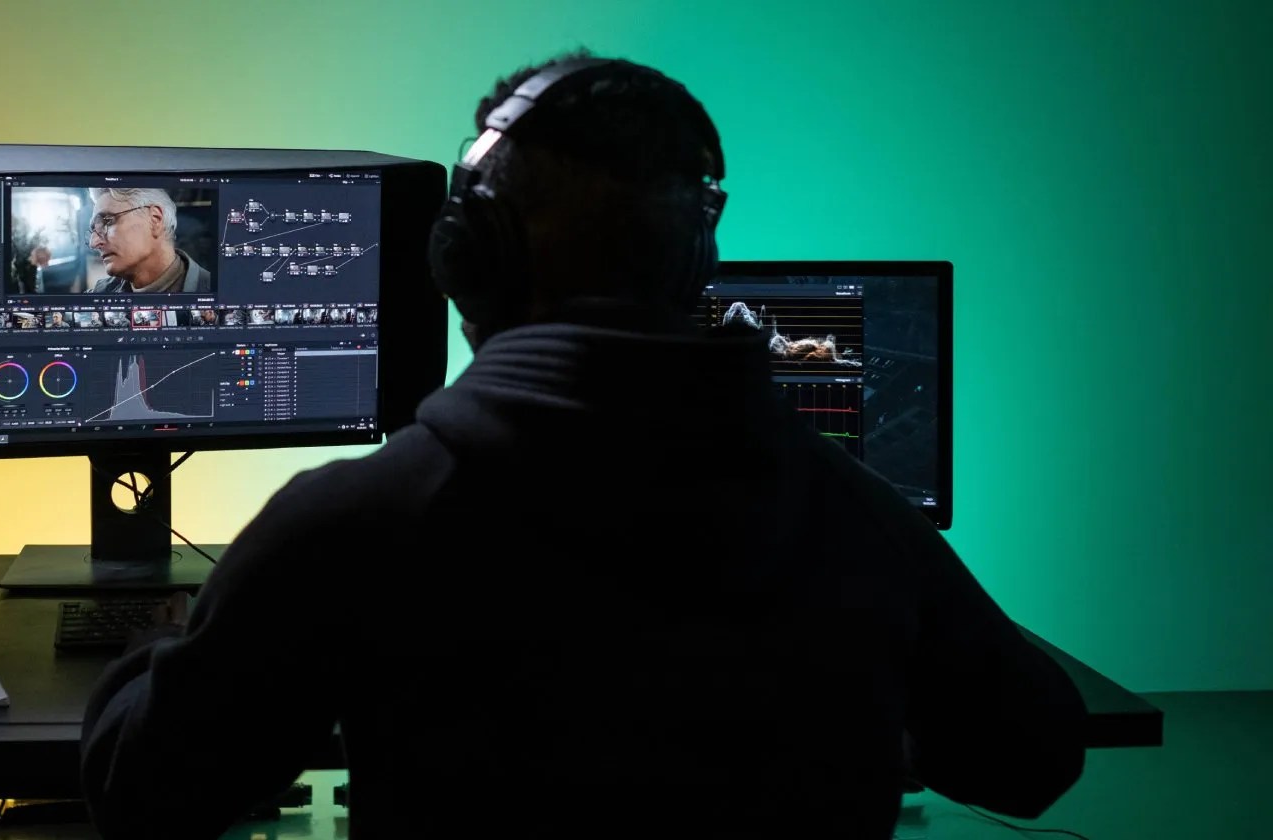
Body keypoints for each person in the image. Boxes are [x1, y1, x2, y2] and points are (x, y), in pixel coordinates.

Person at [81, 51, 1088, 839]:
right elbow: (1034, 760)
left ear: (466, 256)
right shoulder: (855, 515)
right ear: (694, 257)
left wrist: (168, 643)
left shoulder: (356, 522)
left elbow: (144, 798)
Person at [86, 187, 213, 294]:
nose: (94, 243)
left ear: (155, 219)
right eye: (94, 230)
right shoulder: (99, 293)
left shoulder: (215, 289)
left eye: (108, 221)